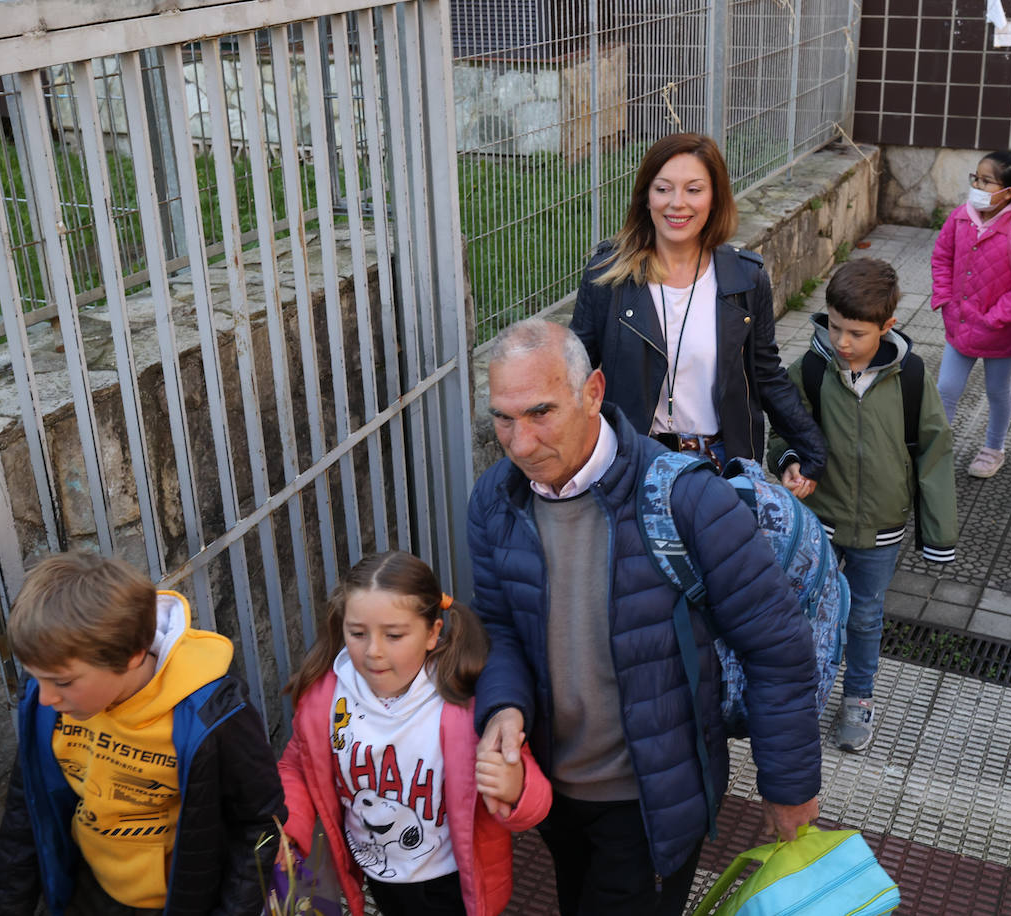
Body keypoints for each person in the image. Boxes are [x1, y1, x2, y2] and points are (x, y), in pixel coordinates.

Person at [469, 318, 821, 915]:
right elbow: (499, 627)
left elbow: (777, 646)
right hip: (553, 794)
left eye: (540, 413)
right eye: (503, 418)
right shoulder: (495, 501)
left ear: (594, 392)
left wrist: (788, 786)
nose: (519, 443)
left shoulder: (688, 500)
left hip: (651, 803)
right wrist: (504, 705)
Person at [0, 552, 284, 916]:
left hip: (177, 902)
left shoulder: (214, 718)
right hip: (87, 890)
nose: (45, 697)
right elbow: (25, 812)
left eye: (63, 681)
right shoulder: (48, 705)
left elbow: (258, 824)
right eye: (36, 677)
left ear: (131, 655)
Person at [278, 551, 551, 916]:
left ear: (432, 633)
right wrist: (288, 827)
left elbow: (536, 802)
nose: (373, 651)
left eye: (393, 635)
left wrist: (515, 787)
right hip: (379, 874)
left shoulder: (464, 700)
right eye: (357, 633)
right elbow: (296, 766)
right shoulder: (325, 699)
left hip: (456, 881)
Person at [569, 132, 826, 492]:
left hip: (721, 469)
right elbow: (573, 375)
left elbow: (765, 375)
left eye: (693, 189)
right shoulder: (607, 278)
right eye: (663, 189)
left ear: (715, 197)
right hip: (633, 466)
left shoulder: (746, 280)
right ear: (645, 196)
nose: (677, 203)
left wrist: (809, 450)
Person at [779, 259, 958, 753]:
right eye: (835, 326)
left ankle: (858, 696)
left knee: (864, 615)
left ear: (887, 326)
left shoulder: (913, 378)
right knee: (806, 609)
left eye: (856, 333)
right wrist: (790, 462)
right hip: (820, 521)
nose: (842, 341)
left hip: (882, 528)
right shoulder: (810, 370)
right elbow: (784, 431)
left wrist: (938, 535)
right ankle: (796, 695)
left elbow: (934, 451)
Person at [931, 150, 1011, 478]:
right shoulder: (960, 217)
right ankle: (935, 449)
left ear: (1008, 192)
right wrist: (945, 298)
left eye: (986, 180)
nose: (977, 185)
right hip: (960, 324)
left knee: (997, 390)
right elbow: (942, 257)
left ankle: (994, 448)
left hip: (1002, 331)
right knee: (946, 389)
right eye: (975, 178)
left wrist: (994, 318)